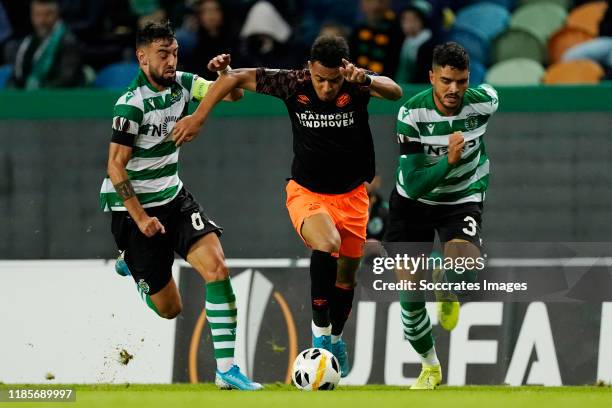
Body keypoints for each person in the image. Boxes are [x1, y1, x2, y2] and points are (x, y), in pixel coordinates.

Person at [171, 35, 403, 378]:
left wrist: (365, 79)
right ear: (310, 69)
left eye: (333, 80)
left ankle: (335, 338)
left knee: (347, 278)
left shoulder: (356, 82)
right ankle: (320, 336)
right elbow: (234, 78)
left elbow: (395, 91)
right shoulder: (292, 82)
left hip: (353, 197)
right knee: (327, 244)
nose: (326, 87)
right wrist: (199, 117)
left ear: (344, 71)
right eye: (320, 79)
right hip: (306, 193)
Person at [98, 21, 261, 391]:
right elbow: (114, 166)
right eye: (163, 54)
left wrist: (224, 75)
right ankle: (132, 267)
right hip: (133, 212)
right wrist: (140, 220)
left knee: (217, 268)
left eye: (174, 52)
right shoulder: (130, 104)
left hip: (174, 198)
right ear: (142, 58)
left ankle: (227, 370)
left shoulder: (184, 84)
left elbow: (234, 95)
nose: (171, 60)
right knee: (170, 309)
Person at [384, 42, 498, 389]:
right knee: (410, 292)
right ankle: (429, 366)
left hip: (462, 197)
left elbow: (492, 92)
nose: (454, 90)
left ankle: (447, 286)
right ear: (432, 77)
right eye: (446, 80)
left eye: (461, 81)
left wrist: (456, 168)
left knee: (467, 262)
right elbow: (416, 184)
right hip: (413, 202)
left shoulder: (485, 103)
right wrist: (448, 161)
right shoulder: (411, 114)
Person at [8, 0, 84, 89]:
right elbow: (16, 76)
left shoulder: (68, 42)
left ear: (57, 15)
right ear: (31, 16)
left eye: (48, 15)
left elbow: (67, 80)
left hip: (57, 98)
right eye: (37, 15)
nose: (42, 21)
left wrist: (38, 93)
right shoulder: (28, 42)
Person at [349, 0, 403, 77]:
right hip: (358, 83)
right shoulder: (358, 30)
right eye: (370, 1)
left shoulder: (397, 31)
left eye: (380, 1)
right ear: (362, 5)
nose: (375, 6)